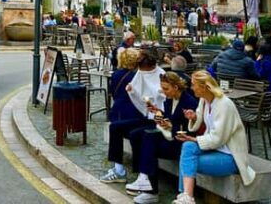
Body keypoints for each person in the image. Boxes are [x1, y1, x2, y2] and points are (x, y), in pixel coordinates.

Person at [172, 71, 256, 204]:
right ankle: (186, 196)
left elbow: (218, 139)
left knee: (188, 161)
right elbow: (199, 119)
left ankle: (185, 196)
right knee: (187, 147)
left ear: (204, 87)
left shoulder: (224, 104)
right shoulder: (204, 100)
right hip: (215, 149)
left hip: (230, 156)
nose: (191, 88)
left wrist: (194, 139)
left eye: (194, 85)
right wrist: (193, 117)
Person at [126, 72, 198, 202]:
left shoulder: (189, 102)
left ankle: (150, 188)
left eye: (166, 89)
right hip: (169, 135)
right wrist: (157, 112)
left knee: (149, 139)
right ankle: (143, 176)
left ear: (176, 87)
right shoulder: (170, 99)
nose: (164, 92)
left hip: (179, 142)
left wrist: (170, 125)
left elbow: (189, 129)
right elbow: (170, 117)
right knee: (136, 135)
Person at [100, 51, 165, 184]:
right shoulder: (140, 73)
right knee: (115, 127)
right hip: (146, 115)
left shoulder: (161, 75)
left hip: (158, 119)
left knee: (136, 134)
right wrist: (133, 92)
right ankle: (118, 169)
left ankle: (142, 175)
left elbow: (160, 99)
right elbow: (140, 95)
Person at [108, 49, 141, 122]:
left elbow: (113, 92)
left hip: (118, 109)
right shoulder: (137, 76)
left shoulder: (116, 74)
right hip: (134, 110)